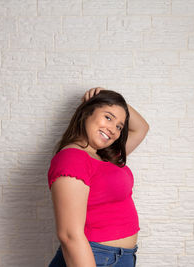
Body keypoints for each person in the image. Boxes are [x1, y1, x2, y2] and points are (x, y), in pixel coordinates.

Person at [47, 87, 149, 267]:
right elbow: (69, 235)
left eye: (119, 126)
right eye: (108, 117)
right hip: (95, 259)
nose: (113, 129)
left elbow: (141, 128)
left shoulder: (106, 157)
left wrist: (113, 99)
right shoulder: (72, 158)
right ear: (86, 113)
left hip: (120, 258)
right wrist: (104, 97)